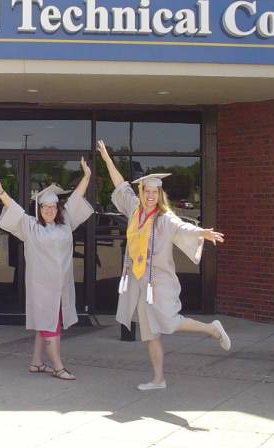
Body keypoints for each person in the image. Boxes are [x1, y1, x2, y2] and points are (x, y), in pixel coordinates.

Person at [96, 140, 230, 390]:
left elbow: (182, 227)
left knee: (168, 322)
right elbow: (120, 184)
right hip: (139, 281)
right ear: (142, 193)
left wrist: (202, 233)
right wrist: (107, 160)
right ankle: (159, 379)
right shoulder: (134, 210)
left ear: (159, 196)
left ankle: (211, 328)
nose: (149, 196)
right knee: (151, 333)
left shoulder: (164, 218)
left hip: (160, 281)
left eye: (154, 192)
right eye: (146, 191)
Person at [0, 158, 93, 381]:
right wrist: (1, 191)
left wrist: (87, 177)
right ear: (39, 208)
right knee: (49, 326)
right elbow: (13, 208)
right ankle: (58, 366)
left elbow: (75, 199)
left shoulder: (66, 225)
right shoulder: (30, 227)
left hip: (61, 286)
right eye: (45, 207)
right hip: (41, 287)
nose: (50, 210)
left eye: (53, 207)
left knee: (50, 323)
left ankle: (36, 362)